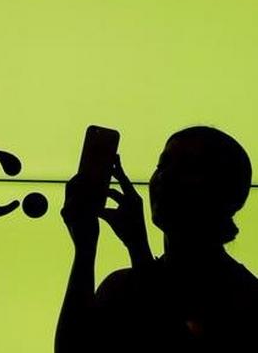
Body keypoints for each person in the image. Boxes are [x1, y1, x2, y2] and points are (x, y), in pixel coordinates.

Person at [55, 126, 258, 353]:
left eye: (188, 167)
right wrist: (85, 248)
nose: (165, 176)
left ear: (223, 192)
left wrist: (136, 247)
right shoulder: (120, 286)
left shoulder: (243, 298)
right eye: (162, 165)